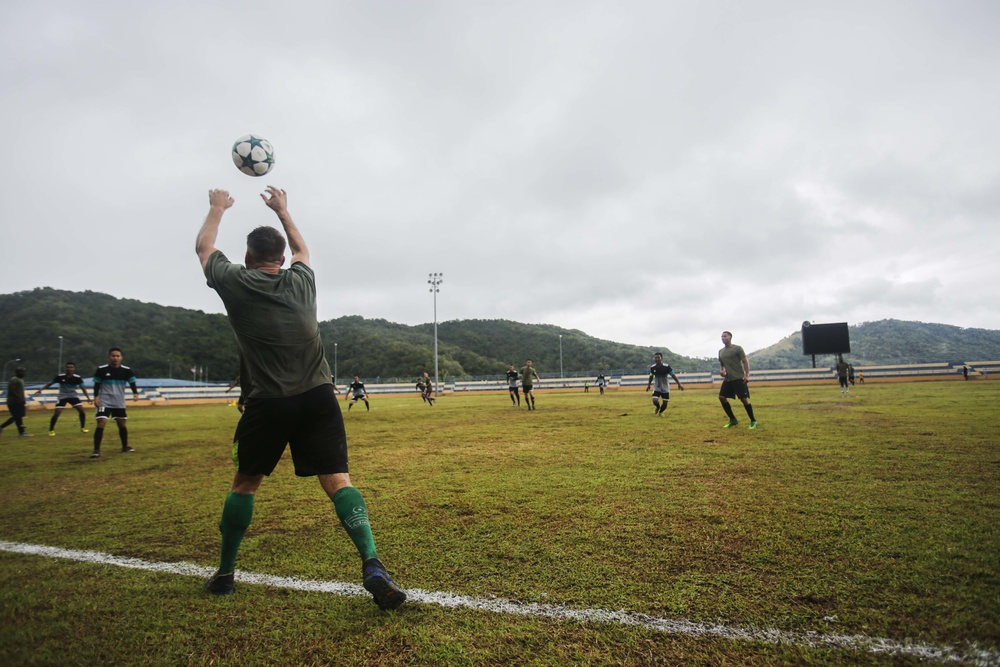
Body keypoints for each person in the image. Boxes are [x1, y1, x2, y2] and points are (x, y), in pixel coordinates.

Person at [196, 186, 404, 608]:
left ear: (250, 257)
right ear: (281, 257)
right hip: (318, 396)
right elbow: (303, 250)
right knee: (338, 480)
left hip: (269, 402)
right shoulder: (303, 281)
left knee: (245, 483)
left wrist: (217, 208)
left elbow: (204, 248)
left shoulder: (235, 281)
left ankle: (224, 575)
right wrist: (284, 211)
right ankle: (372, 562)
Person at [91, 348, 139, 457]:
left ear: (121, 357)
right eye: (113, 356)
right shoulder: (101, 369)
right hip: (104, 400)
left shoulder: (127, 370)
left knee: (121, 423)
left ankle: (125, 446)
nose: (115, 358)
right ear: (109, 357)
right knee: (101, 422)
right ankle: (96, 450)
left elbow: (132, 382)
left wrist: (135, 393)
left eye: (118, 356)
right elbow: (97, 384)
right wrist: (96, 397)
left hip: (119, 401)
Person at [35, 362, 91, 435]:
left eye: (71, 367)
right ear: (65, 368)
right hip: (62, 396)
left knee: (82, 411)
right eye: (68, 367)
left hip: (72, 396)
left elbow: (83, 388)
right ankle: (51, 430)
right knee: (57, 413)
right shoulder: (60, 377)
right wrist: (41, 390)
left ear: (74, 369)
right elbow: (50, 384)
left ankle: (83, 428)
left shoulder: (77, 378)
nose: (69, 369)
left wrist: (88, 398)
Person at [718, 331, 758, 429]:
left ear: (730, 337)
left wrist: (747, 375)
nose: (723, 338)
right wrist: (722, 371)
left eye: (725, 336)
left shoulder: (737, 348)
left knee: (744, 399)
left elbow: (745, 361)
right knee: (722, 397)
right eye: (722, 336)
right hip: (728, 379)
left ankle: (753, 421)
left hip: (738, 378)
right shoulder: (721, 351)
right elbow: (722, 363)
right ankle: (733, 419)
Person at [1, 367, 33, 438]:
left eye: (24, 372)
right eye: (21, 372)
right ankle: (2, 427)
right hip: (14, 402)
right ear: (17, 372)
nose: (23, 373)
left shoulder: (21, 380)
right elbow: (13, 390)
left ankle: (21, 432)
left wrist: (22, 399)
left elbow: (20, 392)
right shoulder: (14, 379)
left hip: (19, 401)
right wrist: (20, 398)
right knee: (17, 417)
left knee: (19, 417)